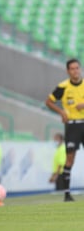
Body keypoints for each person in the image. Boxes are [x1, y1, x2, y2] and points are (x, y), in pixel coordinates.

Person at [45, 58, 84, 202]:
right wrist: (62, 112)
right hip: (72, 126)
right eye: (72, 69)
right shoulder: (63, 87)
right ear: (68, 71)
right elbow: (48, 101)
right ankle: (67, 194)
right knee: (70, 159)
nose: (75, 71)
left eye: (77, 68)